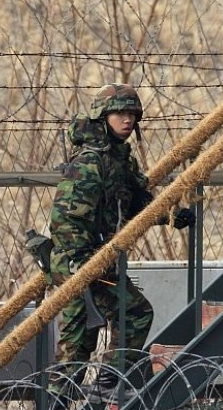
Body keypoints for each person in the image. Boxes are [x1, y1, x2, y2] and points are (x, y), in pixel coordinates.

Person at [46, 83, 195, 405]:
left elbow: (139, 202)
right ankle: (105, 386)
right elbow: (64, 221)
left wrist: (171, 215)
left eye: (132, 114)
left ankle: (98, 390)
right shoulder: (90, 161)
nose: (128, 120)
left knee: (78, 341)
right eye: (120, 113)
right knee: (132, 313)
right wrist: (82, 265)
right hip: (80, 262)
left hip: (96, 261)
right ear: (103, 117)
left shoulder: (119, 158)